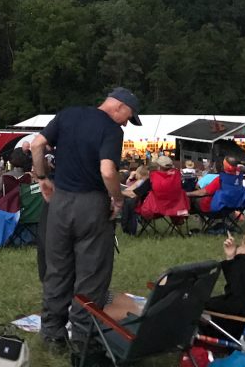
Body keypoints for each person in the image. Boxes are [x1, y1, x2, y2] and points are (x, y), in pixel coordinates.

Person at [31, 87, 141, 352]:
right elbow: (107, 170)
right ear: (118, 107)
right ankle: (82, 339)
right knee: (91, 274)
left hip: (60, 202)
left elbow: (36, 143)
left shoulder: (68, 114)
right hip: (91, 204)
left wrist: (42, 177)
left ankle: (52, 335)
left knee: (57, 269)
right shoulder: (113, 130)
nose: (127, 122)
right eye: (129, 116)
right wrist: (116, 199)